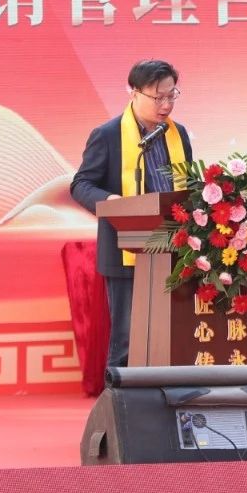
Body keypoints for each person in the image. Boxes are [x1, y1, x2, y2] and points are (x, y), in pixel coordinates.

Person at [70, 59, 193, 368]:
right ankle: (119, 395)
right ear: (134, 92)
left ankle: (169, 391)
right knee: (127, 338)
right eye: (158, 97)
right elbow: (81, 184)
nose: (166, 105)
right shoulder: (108, 135)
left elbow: (187, 185)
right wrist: (112, 201)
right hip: (125, 248)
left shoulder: (178, 134)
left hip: (172, 248)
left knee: (173, 333)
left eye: (172, 95)